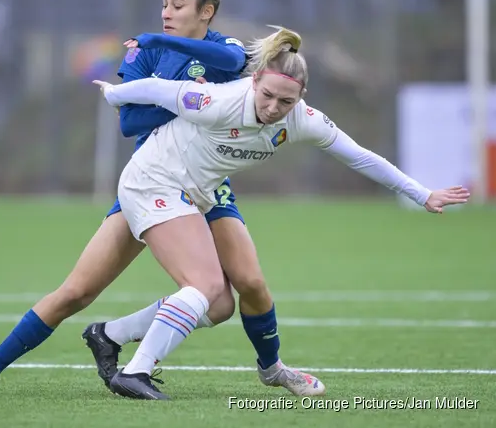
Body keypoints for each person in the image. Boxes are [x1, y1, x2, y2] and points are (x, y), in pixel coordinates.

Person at [0, 0, 322, 397]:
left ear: (207, 11)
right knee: (77, 292)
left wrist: (180, 93)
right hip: (152, 181)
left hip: (206, 187)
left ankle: (272, 369)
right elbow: (129, 121)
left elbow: (235, 64)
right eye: (163, 4)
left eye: (177, 5)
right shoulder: (142, 54)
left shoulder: (226, 50)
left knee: (243, 289)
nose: (165, 13)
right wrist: (184, 98)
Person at [91, 25, 470, 400]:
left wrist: (422, 194)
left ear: (301, 97)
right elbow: (158, 90)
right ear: (254, 81)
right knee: (205, 287)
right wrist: (113, 95)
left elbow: (360, 157)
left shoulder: (302, 119)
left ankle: (111, 335)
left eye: (285, 102)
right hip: (153, 181)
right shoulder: (219, 100)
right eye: (268, 96)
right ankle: (136, 372)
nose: (273, 109)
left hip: (198, 192)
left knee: (228, 300)